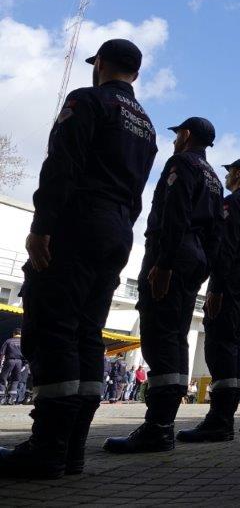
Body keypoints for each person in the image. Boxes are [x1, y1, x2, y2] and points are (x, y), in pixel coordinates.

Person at [0, 40, 158, 479]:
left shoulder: (87, 100)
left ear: (100, 65)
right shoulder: (146, 125)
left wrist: (41, 227)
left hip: (77, 223)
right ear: (137, 74)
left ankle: (46, 447)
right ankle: (71, 450)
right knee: (88, 334)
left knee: (54, 330)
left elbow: (61, 166)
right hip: (117, 231)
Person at [105, 117, 223, 455]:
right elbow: (217, 232)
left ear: (185, 136)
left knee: (159, 337)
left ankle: (157, 427)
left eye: (177, 136)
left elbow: (174, 212)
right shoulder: (215, 179)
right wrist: (203, 268)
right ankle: (163, 423)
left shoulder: (181, 163)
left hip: (172, 254)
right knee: (176, 337)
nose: (174, 142)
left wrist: (165, 263)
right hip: (194, 259)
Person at [178, 158, 240, 443]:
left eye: (229, 172)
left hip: (229, 278)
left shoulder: (233, 202)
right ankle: (225, 418)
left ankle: (218, 420)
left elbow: (225, 246)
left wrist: (215, 288)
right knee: (235, 346)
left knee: (219, 345)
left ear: (239, 173)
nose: (227, 176)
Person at [0, 329, 23, 405]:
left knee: (3, 378)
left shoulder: (8, 341)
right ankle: (11, 398)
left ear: (14, 334)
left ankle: (1, 398)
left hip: (9, 361)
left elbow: (2, 353)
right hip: (19, 362)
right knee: (16, 379)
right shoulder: (24, 342)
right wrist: (25, 364)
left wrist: (0, 364)